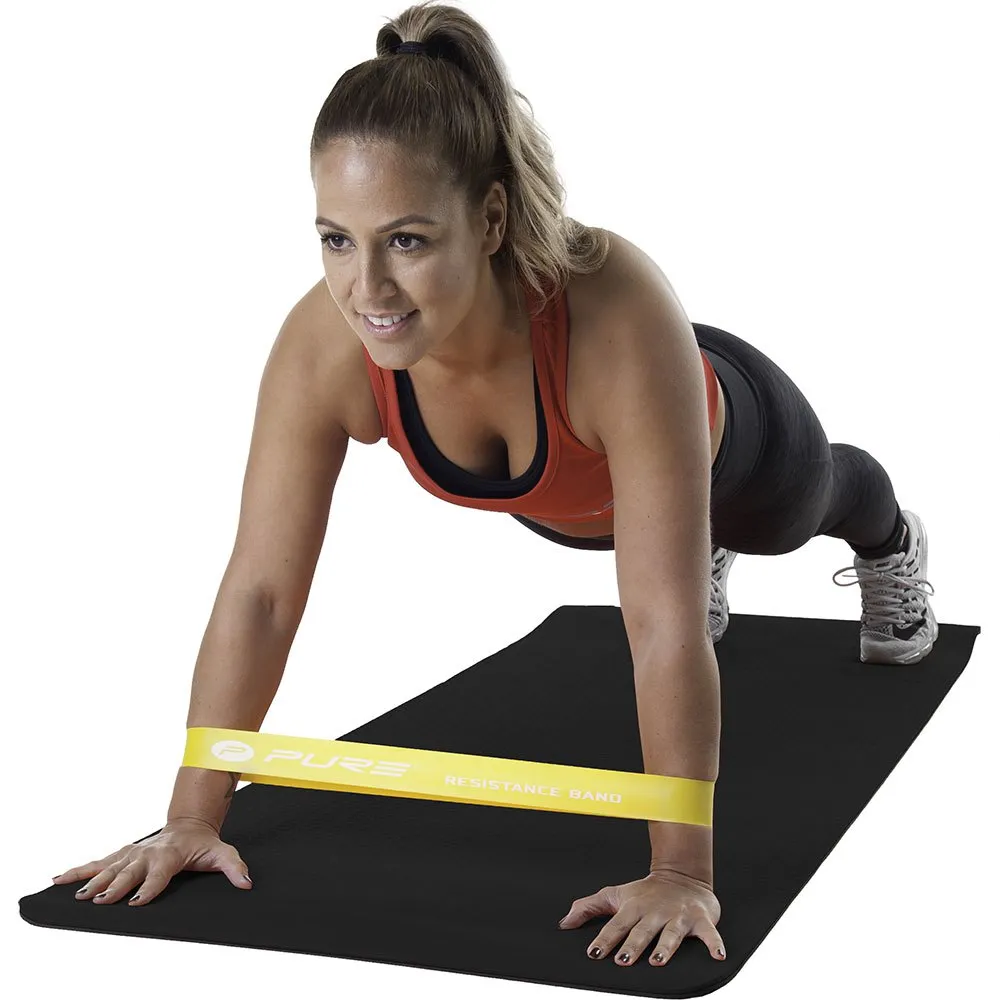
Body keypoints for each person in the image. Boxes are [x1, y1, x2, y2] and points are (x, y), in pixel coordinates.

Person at [51, 0, 937, 972]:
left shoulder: (615, 312)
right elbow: (260, 591)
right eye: (337, 239)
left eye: (407, 240)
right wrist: (190, 816)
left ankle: (891, 540)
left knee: (804, 511)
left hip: (737, 448)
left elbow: (659, 623)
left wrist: (680, 870)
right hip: (581, 506)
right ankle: (691, 535)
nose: (366, 290)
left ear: (490, 217)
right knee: (650, 545)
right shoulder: (328, 346)